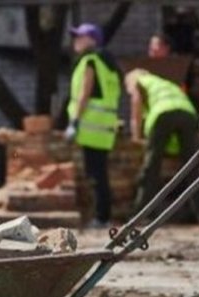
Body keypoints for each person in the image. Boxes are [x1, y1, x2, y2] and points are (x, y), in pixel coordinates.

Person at [126, 68, 199, 223]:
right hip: (188, 113)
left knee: (151, 166)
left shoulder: (138, 81)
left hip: (162, 114)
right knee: (193, 165)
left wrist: (136, 135)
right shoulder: (165, 83)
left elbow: (136, 104)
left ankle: (140, 213)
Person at [65, 23, 122, 228]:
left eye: (81, 37)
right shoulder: (109, 64)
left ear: (93, 40)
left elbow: (84, 93)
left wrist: (74, 121)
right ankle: (102, 216)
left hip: (91, 126)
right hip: (104, 127)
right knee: (99, 172)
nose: (76, 41)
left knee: (96, 174)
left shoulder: (90, 61)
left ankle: (102, 217)